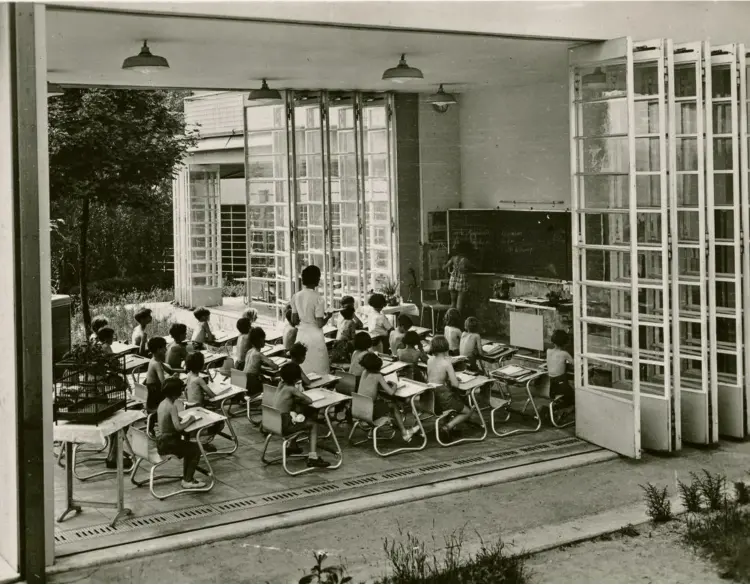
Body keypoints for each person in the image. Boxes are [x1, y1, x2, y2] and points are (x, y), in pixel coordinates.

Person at [274, 362, 330, 468]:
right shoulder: (292, 389)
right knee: (313, 424)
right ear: (296, 378)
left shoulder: (281, 385)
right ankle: (313, 457)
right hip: (284, 424)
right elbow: (308, 400)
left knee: (299, 415)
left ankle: (293, 445)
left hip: (274, 422)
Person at [156, 377, 206, 489]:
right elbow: (178, 428)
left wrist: (178, 418)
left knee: (190, 448)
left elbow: (169, 419)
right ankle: (188, 480)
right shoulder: (172, 406)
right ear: (176, 393)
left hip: (162, 441)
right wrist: (190, 420)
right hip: (169, 443)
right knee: (196, 449)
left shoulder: (163, 403)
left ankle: (187, 477)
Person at [358, 352, 414, 442]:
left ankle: (374, 431)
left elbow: (369, 388)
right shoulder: (378, 376)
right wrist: (395, 385)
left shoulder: (364, 372)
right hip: (369, 411)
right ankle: (404, 433)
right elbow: (391, 392)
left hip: (359, 408)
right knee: (393, 405)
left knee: (383, 402)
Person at [427, 334, 472, 440]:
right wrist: (455, 378)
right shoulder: (446, 363)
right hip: (443, 395)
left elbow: (436, 376)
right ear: (446, 348)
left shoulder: (429, 360)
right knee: (468, 411)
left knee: (452, 404)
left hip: (432, 394)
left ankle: (448, 426)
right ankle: (448, 427)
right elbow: (455, 384)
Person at [290, 265, 332, 375]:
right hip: (315, 335)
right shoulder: (318, 298)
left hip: (302, 334)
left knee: (303, 363)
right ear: (316, 279)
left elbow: (294, 320)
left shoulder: (296, 296)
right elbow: (319, 323)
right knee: (318, 365)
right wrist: (328, 316)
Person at [183, 352, 223, 445]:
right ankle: (204, 440)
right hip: (198, 408)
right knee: (220, 422)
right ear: (201, 366)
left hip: (190, 406)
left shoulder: (189, 375)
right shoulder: (199, 380)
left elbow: (186, 390)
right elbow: (211, 395)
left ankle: (198, 435)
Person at [243, 327, 279, 397]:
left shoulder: (249, 351)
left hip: (243, 381)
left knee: (265, 379)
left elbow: (253, 366)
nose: (264, 341)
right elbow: (275, 366)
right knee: (273, 384)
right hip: (252, 383)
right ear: (259, 341)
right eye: (263, 339)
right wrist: (271, 363)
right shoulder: (258, 354)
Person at [144, 336, 176, 413]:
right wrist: (173, 378)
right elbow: (164, 383)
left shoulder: (155, 360)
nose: (166, 350)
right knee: (175, 394)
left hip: (153, 391)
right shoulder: (156, 364)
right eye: (164, 348)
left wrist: (184, 370)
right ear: (158, 350)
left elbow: (170, 370)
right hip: (155, 396)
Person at [444, 240, 473, 313]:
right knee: (459, 303)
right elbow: (474, 267)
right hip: (462, 280)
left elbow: (444, 267)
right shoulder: (465, 260)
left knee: (453, 302)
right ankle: (457, 319)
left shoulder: (453, 258)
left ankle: (450, 318)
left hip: (453, 279)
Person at [547, 329, 574, 407]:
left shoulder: (548, 351)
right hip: (560, 385)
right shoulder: (564, 354)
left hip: (551, 385)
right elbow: (574, 363)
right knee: (574, 396)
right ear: (565, 343)